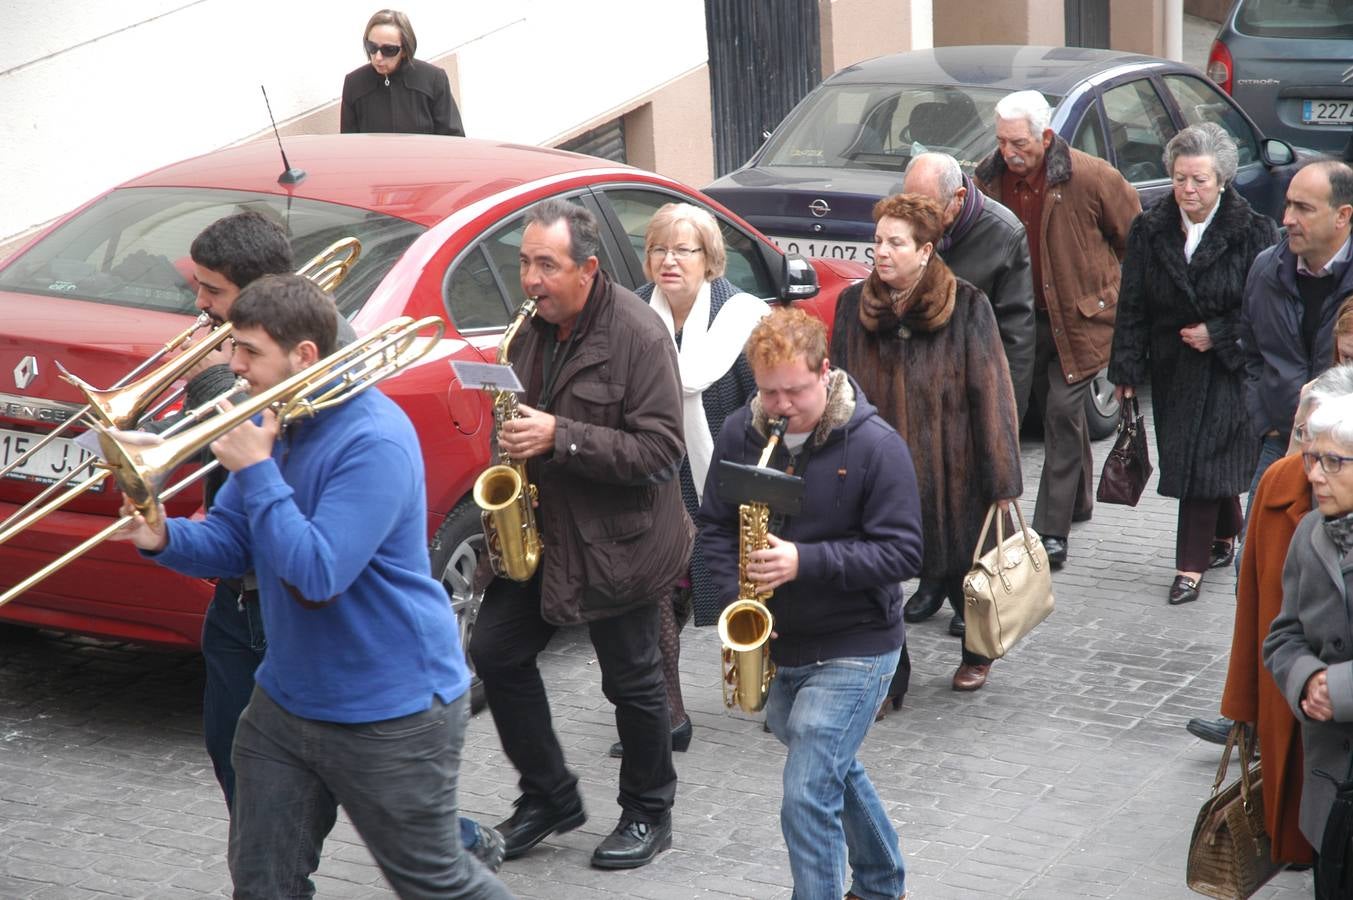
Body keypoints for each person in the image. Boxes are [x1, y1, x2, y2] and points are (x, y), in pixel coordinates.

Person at [113, 275, 511, 898]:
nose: (233, 367)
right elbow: (236, 543)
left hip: (391, 707)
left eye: (248, 352)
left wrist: (258, 468)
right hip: (287, 700)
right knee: (264, 883)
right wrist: (162, 536)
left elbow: (318, 574)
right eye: (230, 347)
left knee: (437, 884)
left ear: (304, 357)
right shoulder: (278, 420)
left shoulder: (372, 438)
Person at [469, 199, 690, 869]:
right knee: (495, 653)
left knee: (632, 682)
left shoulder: (639, 334)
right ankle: (549, 798)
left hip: (618, 543)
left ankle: (649, 811)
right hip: (544, 534)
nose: (529, 280)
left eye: (545, 265)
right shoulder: (531, 329)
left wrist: (560, 436)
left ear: (588, 269)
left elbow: (660, 452)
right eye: (523, 263)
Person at [697, 306, 922, 900]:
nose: (780, 407)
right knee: (831, 769)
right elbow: (716, 528)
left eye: (794, 390)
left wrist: (804, 561)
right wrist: (735, 600)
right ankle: (881, 883)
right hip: (779, 642)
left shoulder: (877, 446)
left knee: (806, 791)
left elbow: (904, 554)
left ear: (825, 372)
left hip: (857, 643)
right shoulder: (740, 435)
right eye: (768, 392)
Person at [831, 194, 1023, 696]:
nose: (882, 252)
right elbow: (838, 392)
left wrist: (1002, 481)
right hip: (877, 474)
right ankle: (891, 676)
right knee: (877, 581)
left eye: (896, 243)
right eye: (878, 242)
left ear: (926, 250)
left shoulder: (967, 305)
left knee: (968, 573)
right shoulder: (854, 307)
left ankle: (978, 653)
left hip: (952, 471)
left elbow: (993, 395)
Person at [609, 202, 767, 759]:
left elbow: (766, 407)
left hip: (729, 483)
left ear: (710, 259)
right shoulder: (632, 316)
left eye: (683, 250)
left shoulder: (742, 317)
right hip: (655, 481)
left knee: (757, 590)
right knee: (652, 597)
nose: (668, 260)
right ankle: (667, 713)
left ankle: (781, 686)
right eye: (658, 249)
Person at [1107, 123, 1280, 606]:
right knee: (1197, 461)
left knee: (1203, 463)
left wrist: (1220, 333)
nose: (1188, 189)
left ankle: (1189, 567)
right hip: (1173, 368)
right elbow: (1133, 301)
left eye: (1199, 180)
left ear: (1222, 180)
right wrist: (1125, 369)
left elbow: (1265, 310)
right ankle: (1228, 534)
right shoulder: (1150, 226)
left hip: (1230, 370)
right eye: (1180, 178)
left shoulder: (1255, 231)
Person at [974, 89, 1140, 569]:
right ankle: (1079, 500)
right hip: (1018, 319)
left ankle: (1051, 529)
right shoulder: (987, 180)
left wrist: (1114, 297)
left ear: (1046, 137)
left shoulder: (1091, 176)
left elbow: (1135, 238)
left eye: (1020, 142)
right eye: (1003, 141)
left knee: (1062, 415)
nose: (1009, 152)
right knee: (1038, 408)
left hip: (1080, 320)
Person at [1264, 366, 1353, 897]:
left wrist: (1337, 690)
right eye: (1311, 459)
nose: (1314, 475)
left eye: (1333, 462)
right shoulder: (1309, 534)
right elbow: (1282, 635)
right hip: (1331, 798)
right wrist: (1304, 680)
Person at [1239, 159, 1353, 558]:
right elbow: (1250, 352)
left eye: (1303, 208)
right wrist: (1265, 418)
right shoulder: (1266, 268)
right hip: (1282, 441)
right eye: (1287, 205)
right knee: (1254, 560)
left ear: (1343, 215)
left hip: (1346, 449)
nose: (1287, 219)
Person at [902, 151, 1036, 423]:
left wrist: (1008, 417)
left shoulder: (1004, 234)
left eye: (930, 209)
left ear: (958, 198)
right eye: (911, 205)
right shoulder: (904, 217)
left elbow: (1016, 337)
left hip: (970, 389)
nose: (919, 218)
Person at [341, 10, 465, 136]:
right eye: (371, 47)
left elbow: (453, 138)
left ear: (405, 50)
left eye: (388, 50)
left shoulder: (434, 79)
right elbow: (349, 144)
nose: (378, 57)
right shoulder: (354, 83)